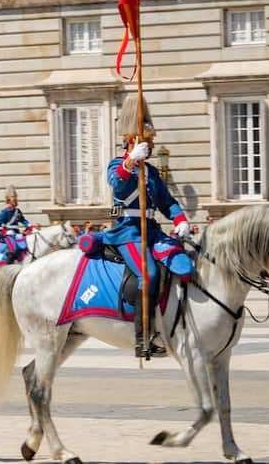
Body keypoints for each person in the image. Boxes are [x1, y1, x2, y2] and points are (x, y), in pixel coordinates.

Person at [104, 94, 193, 358]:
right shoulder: (117, 165)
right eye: (148, 141)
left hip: (151, 230)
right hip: (128, 232)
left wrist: (180, 219)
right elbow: (117, 186)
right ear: (132, 141)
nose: (151, 145)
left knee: (181, 262)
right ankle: (143, 337)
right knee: (149, 274)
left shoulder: (152, 172)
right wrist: (130, 161)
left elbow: (167, 202)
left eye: (151, 142)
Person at [0, 185, 31, 263]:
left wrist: (29, 225)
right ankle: (7, 262)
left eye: (15, 199)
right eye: (13, 199)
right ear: (9, 201)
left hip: (17, 233)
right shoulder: (5, 211)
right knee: (13, 247)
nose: (15, 201)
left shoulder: (18, 211)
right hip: (8, 234)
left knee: (24, 245)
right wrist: (6, 231)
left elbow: (23, 220)